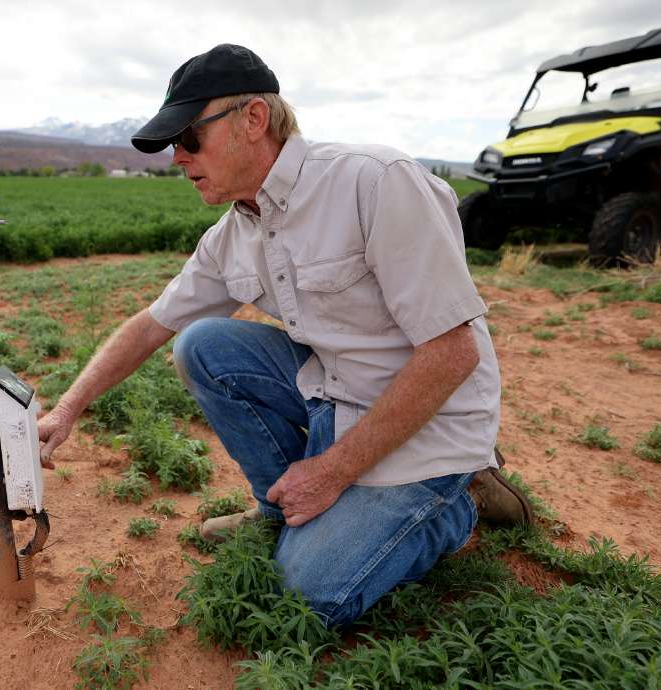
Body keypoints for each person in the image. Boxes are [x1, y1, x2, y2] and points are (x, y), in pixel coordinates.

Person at [37, 43, 531, 629]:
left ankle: (463, 497)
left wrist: (332, 471)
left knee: (308, 592)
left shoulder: (376, 183)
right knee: (201, 345)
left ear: (254, 119)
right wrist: (67, 410)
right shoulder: (233, 232)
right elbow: (153, 324)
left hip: (427, 418)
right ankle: (280, 509)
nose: (177, 158)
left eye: (189, 137)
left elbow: (452, 353)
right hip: (335, 393)